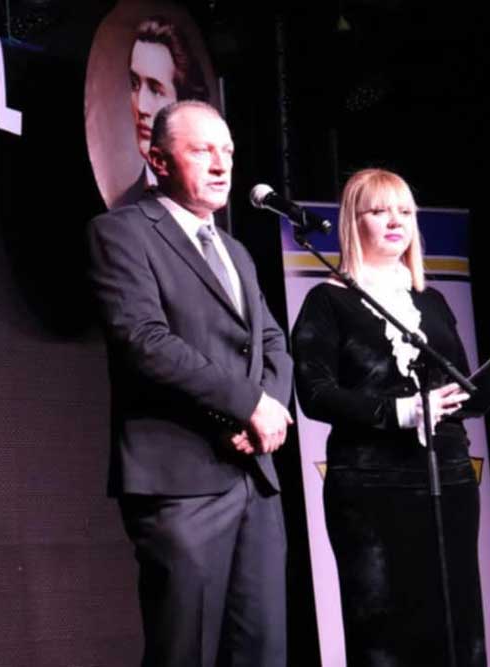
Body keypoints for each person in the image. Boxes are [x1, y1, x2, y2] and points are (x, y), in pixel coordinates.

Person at [291, 168, 490, 667]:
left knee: (458, 625)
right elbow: (314, 393)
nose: (396, 221)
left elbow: (461, 388)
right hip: (371, 488)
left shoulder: (431, 301)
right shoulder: (327, 300)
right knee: (384, 632)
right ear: (353, 221)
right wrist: (400, 411)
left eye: (405, 211)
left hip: (449, 478)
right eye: (379, 211)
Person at [88, 100, 293, 667]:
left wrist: (268, 409)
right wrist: (247, 403)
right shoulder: (122, 233)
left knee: (264, 651)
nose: (222, 164)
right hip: (181, 482)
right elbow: (144, 341)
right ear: (158, 160)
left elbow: (272, 340)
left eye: (227, 150)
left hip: (254, 479)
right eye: (202, 150)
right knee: (186, 652)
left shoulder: (236, 251)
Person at [113, 16, 211, 209]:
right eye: (134, 84)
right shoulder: (123, 207)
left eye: (156, 90)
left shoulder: (216, 198)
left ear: (184, 104)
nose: (141, 106)